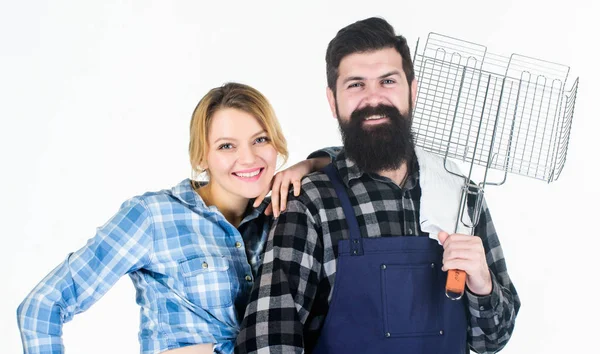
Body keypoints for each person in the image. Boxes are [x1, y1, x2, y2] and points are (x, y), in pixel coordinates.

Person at [235, 17, 520, 354]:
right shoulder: (311, 202)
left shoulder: (461, 197)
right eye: (356, 84)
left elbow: (492, 340)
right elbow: (269, 340)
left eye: (387, 81)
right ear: (332, 101)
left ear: (412, 91)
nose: (373, 98)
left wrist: (482, 283)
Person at [17, 82, 337, 354]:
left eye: (261, 139)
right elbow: (42, 307)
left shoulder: (283, 218)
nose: (249, 157)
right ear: (202, 156)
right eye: (227, 145)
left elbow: (363, 161)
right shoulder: (154, 217)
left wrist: (309, 166)